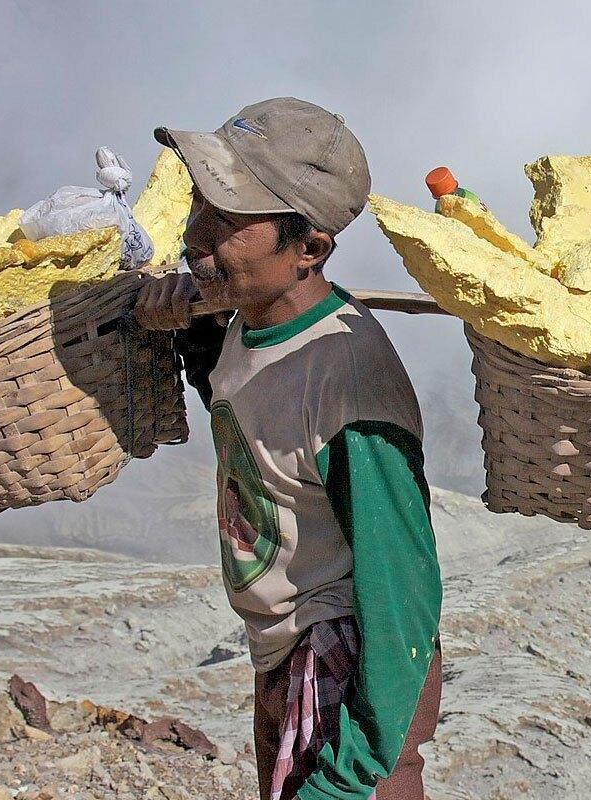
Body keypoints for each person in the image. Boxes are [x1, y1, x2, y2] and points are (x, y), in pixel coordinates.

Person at [134, 97, 442, 800]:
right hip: (281, 661)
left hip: (343, 680)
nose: (196, 238)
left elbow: (404, 595)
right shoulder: (246, 318)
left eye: (230, 223)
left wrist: (350, 775)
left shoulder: (350, 385)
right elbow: (241, 392)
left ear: (309, 250)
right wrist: (184, 322)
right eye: (200, 208)